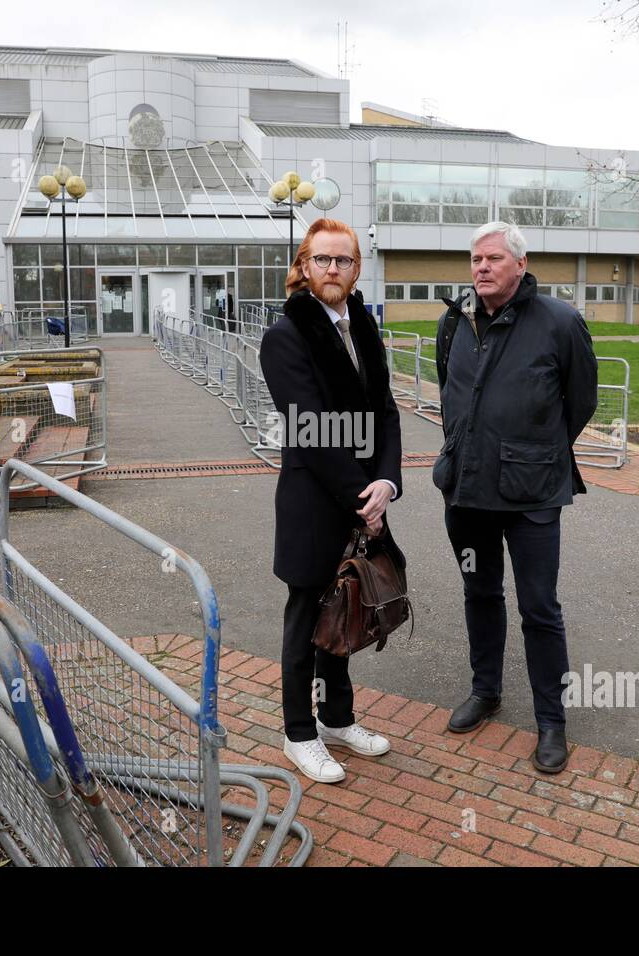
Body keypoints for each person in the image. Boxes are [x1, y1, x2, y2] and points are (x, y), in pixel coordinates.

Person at [432, 221, 599, 774]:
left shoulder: (559, 322)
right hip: (467, 489)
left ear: (520, 265)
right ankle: (487, 691)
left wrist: (536, 451)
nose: (481, 267)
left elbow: (580, 403)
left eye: (493, 259)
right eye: (475, 259)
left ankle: (552, 721)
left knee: (539, 608)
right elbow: (451, 395)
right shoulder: (454, 321)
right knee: (479, 592)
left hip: (531, 493)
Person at [259, 218, 405, 784]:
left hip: (367, 497)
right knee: (304, 618)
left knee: (346, 609)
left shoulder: (363, 325)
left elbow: (386, 410)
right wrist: (359, 496)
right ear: (303, 265)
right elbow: (309, 426)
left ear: (355, 268)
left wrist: (387, 483)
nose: (333, 270)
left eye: (343, 261)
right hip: (316, 500)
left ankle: (338, 719)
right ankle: (299, 733)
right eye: (322, 260)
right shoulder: (286, 335)